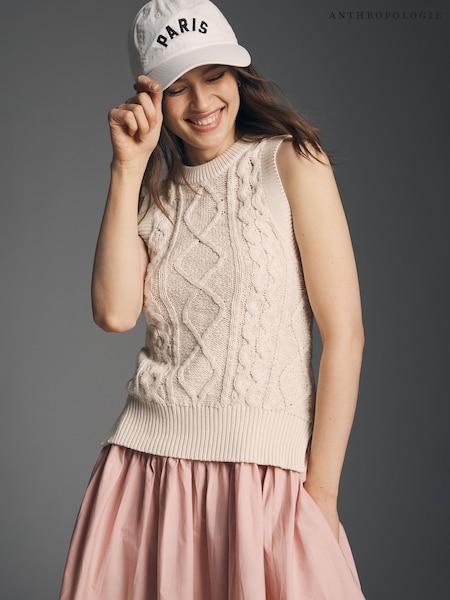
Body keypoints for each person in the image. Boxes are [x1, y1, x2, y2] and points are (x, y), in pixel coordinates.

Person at [59, 0, 366, 598]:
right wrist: (127, 167)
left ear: (238, 75)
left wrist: (322, 494)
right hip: (146, 472)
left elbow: (345, 335)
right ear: (151, 98)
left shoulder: (288, 162)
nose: (201, 102)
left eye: (215, 76)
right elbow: (114, 313)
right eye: (177, 88)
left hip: (264, 476)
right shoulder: (151, 198)